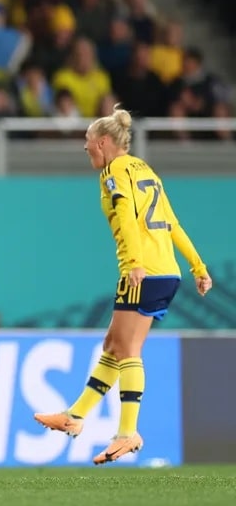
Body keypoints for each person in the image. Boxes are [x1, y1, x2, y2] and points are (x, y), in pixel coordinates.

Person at [34, 105, 212, 464]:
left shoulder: (114, 172)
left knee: (127, 349)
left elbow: (129, 216)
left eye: (87, 142)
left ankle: (127, 432)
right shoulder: (145, 169)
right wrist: (198, 266)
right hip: (166, 270)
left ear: (102, 142)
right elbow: (172, 222)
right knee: (113, 345)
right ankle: (76, 416)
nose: (85, 148)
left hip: (142, 270)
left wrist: (133, 263)